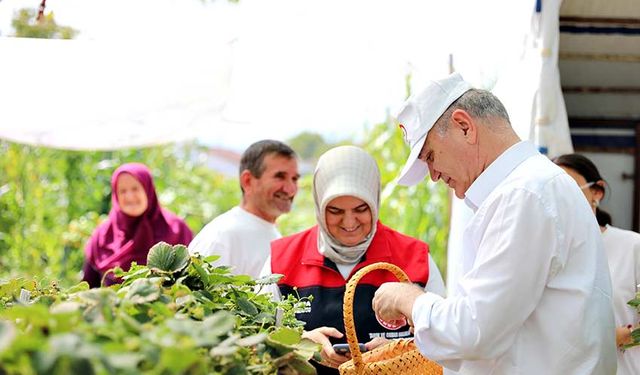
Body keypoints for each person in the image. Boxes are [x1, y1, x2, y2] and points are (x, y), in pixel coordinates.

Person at [371, 72, 617, 374]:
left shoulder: (523, 195)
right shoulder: (529, 187)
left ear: (464, 126)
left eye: (431, 156)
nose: (434, 175)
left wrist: (409, 298)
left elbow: (475, 331)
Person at [260, 145, 446, 374]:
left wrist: (399, 352)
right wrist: (301, 343)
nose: (349, 223)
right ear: (319, 205)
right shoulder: (282, 260)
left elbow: (446, 343)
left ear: (375, 202)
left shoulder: (415, 259)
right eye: (335, 211)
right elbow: (257, 341)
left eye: (360, 209)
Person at [554, 153, 640, 375]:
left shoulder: (632, 246)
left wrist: (620, 336)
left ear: (597, 191)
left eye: (569, 186)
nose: (560, 197)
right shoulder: (547, 255)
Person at [189, 139, 299, 277]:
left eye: (294, 179)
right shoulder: (222, 236)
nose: (290, 189)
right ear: (248, 181)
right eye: (279, 177)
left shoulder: (273, 234)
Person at [82, 162, 193, 287]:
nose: (129, 196)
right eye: (122, 191)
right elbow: (88, 287)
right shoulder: (102, 236)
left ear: (148, 189)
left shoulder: (177, 230)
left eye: (135, 188)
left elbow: (192, 282)